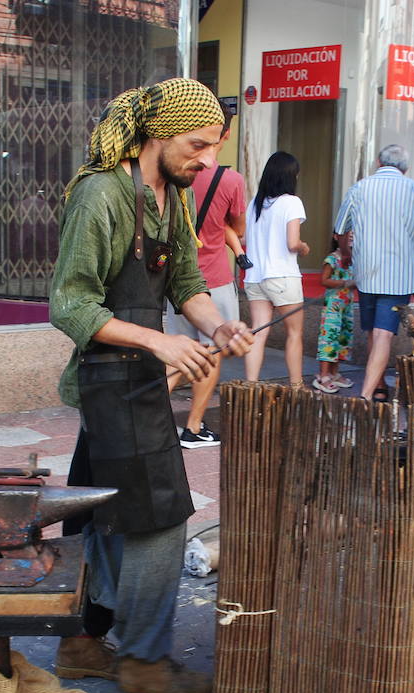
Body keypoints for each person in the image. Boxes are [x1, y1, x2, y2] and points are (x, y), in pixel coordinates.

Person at [49, 77, 253, 693]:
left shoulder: (176, 197)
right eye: (196, 146)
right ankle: (142, 658)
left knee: (96, 509)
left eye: (214, 148)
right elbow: (69, 303)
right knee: (162, 520)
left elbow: (187, 281)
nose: (206, 160)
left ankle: (83, 640)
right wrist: (160, 343)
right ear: (158, 135)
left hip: (138, 381)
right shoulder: (101, 195)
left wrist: (218, 323)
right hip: (110, 379)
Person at [164, 101, 248, 448]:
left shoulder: (171, 176)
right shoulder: (229, 180)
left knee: (180, 352)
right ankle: (194, 426)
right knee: (209, 353)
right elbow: (239, 227)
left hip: (174, 280)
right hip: (212, 278)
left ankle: (148, 415)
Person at [333, 144, 414, 401]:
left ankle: (378, 385)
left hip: (366, 272)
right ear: (406, 168)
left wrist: (346, 254)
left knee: (373, 331)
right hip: (399, 277)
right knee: (383, 334)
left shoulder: (359, 188)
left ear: (378, 163)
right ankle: (367, 394)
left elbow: (340, 230)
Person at [242, 151, 309, 386]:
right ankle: (297, 386)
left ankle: (250, 385)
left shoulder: (254, 204)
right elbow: (292, 243)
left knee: (258, 334)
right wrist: (303, 248)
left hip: (254, 277)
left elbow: (244, 240)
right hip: (282, 277)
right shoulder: (291, 202)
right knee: (294, 334)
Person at [313, 232, 355, 393]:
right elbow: (324, 280)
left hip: (347, 306)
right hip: (333, 306)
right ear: (336, 237)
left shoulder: (353, 259)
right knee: (329, 338)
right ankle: (323, 375)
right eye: (347, 234)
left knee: (342, 340)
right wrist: (345, 282)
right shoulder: (332, 258)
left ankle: (334, 373)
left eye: (353, 234)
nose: (351, 236)